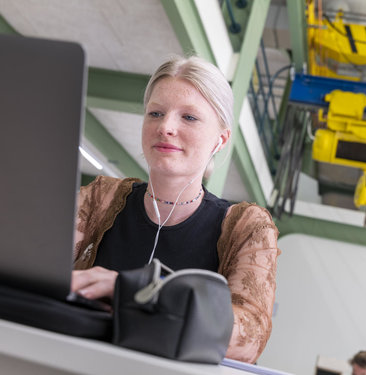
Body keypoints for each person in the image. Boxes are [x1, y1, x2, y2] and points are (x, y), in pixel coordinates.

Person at [70, 54, 280, 363]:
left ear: (220, 140)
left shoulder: (247, 227)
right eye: (155, 113)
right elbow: (36, 263)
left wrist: (132, 291)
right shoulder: (100, 197)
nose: (165, 126)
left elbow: (249, 338)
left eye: (189, 117)